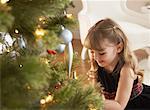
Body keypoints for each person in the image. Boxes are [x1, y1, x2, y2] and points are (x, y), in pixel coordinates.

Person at [84, 18, 150, 110]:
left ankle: (146, 51)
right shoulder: (98, 64)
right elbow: (97, 94)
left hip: (134, 104)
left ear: (119, 47)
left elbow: (119, 106)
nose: (96, 57)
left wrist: (92, 101)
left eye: (102, 53)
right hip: (113, 104)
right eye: (92, 52)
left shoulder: (126, 69)